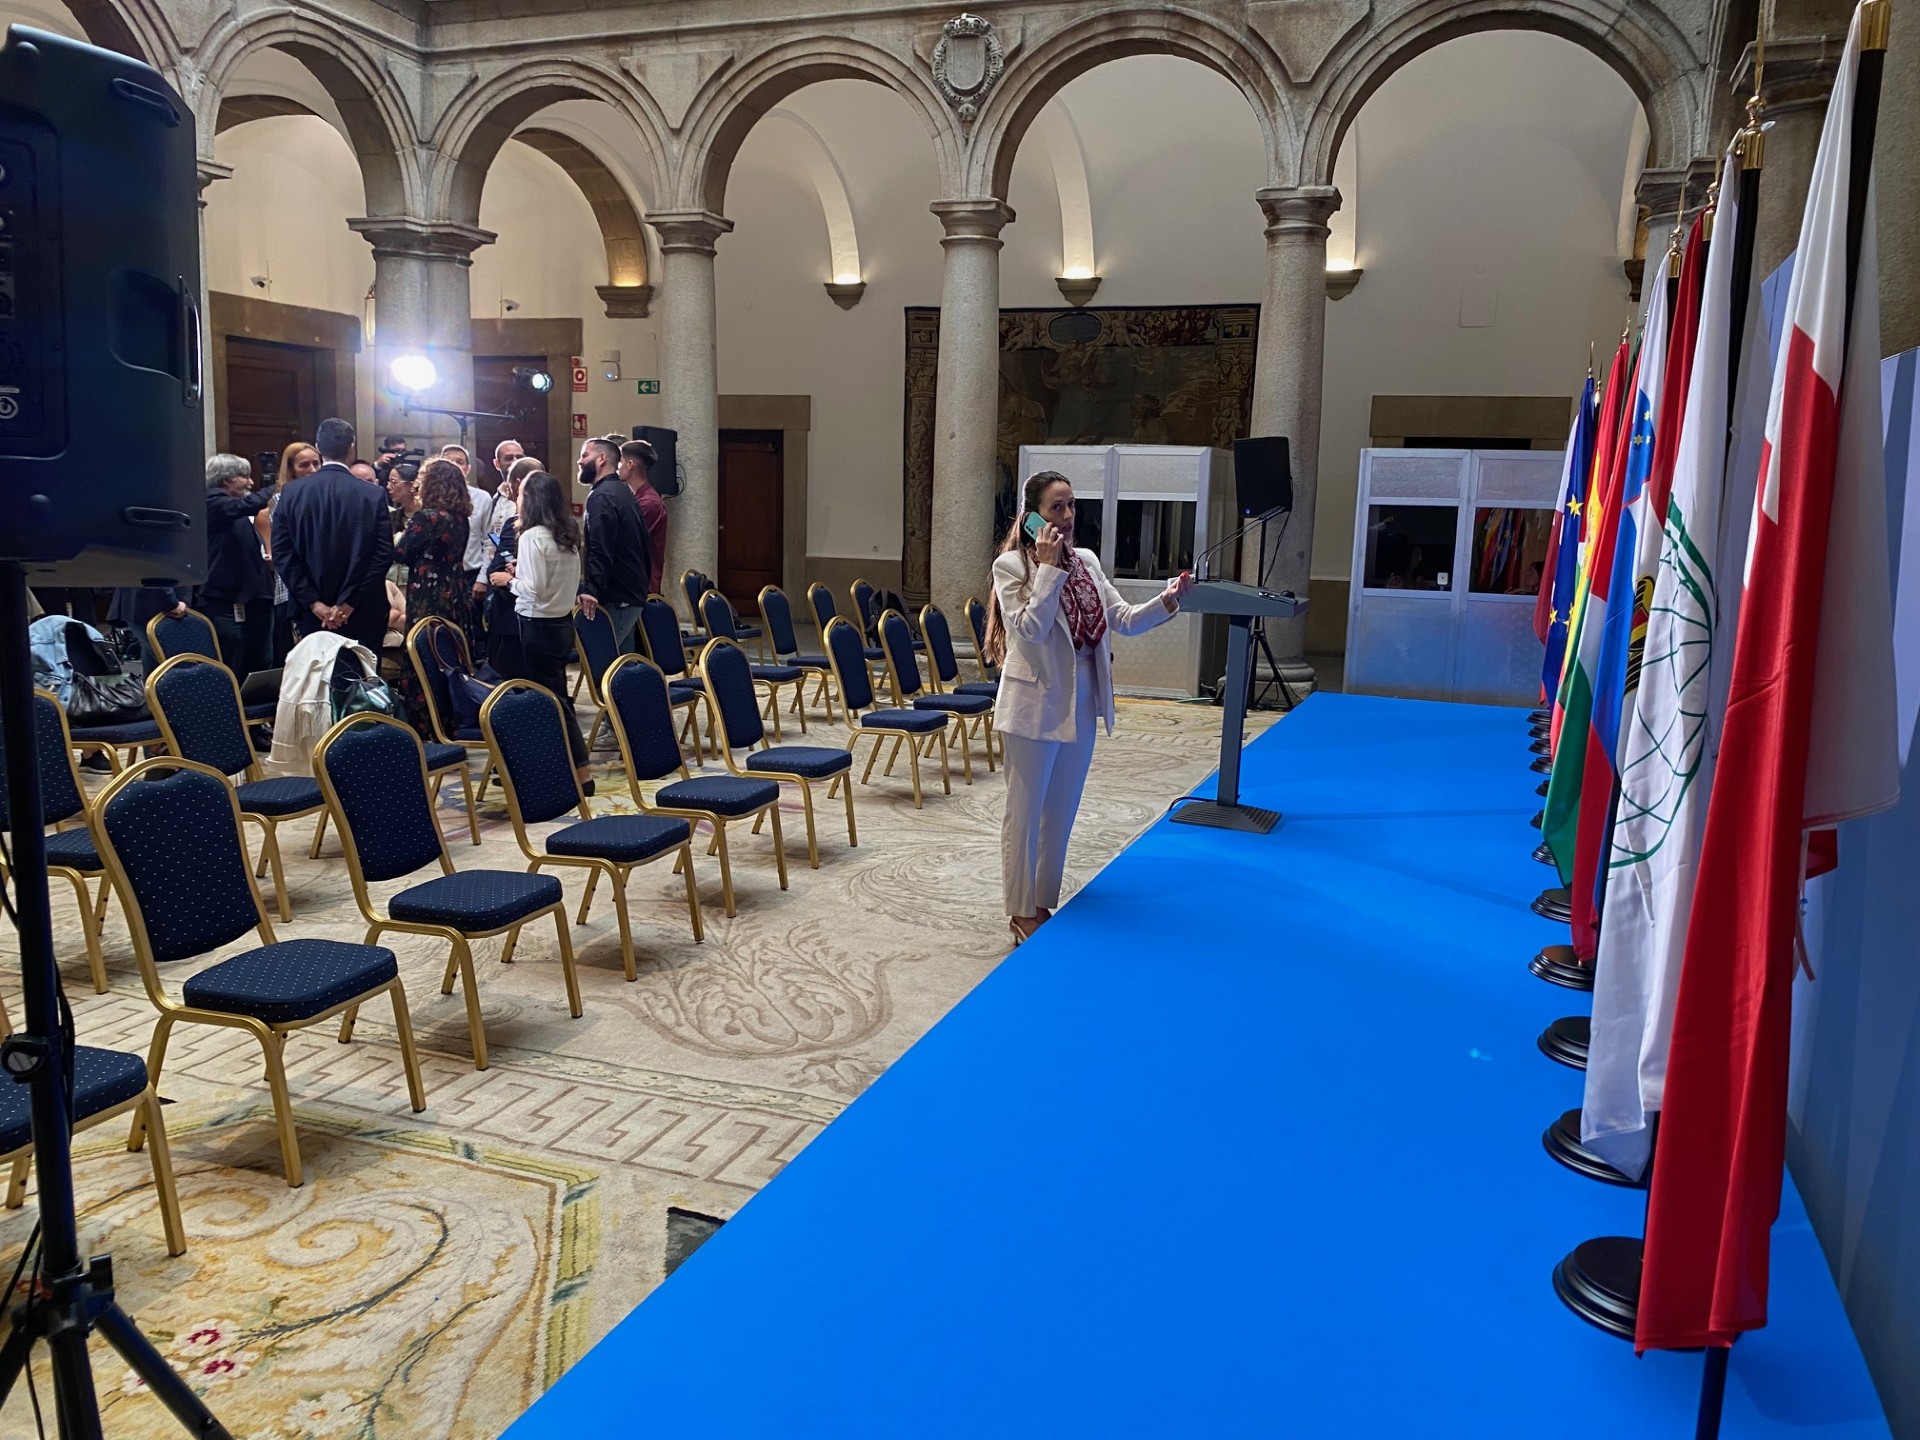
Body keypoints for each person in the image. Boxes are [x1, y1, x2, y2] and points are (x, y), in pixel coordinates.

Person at [986, 470, 1193, 945]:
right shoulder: (1013, 568)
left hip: (1080, 702)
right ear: (1033, 516)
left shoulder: (1087, 562)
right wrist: (1048, 569)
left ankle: (1041, 901)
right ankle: (1019, 911)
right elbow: (1032, 630)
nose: (1067, 516)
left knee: (1059, 811)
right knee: (1024, 812)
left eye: (1072, 505)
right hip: (1031, 705)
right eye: (1056, 507)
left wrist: (1168, 600)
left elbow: (1121, 619)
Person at [270, 417, 394, 654]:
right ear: (352, 446)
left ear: (318, 447)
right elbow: (382, 555)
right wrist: (348, 604)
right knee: (362, 683)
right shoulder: (372, 495)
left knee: (318, 683)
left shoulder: (291, 493)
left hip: (312, 613)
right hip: (363, 609)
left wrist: (315, 604)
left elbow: (282, 555)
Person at [505, 470, 592, 788]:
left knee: (550, 701)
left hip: (537, 626)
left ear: (532, 499)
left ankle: (579, 771)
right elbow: (559, 582)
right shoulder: (566, 533)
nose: (517, 498)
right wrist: (523, 571)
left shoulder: (531, 536)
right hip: (560, 623)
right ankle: (564, 767)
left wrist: (510, 580)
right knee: (556, 698)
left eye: (521, 493)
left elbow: (534, 590)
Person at [393, 458, 474, 734]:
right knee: (449, 656)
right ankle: (451, 720)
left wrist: (399, 536)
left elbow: (403, 552)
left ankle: (425, 724)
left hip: (429, 593)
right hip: (455, 591)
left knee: (423, 654)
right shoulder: (460, 518)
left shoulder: (427, 517)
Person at [198, 452, 276, 682]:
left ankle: (253, 713)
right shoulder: (211, 502)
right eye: (245, 476)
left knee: (260, 663)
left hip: (253, 598)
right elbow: (248, 504)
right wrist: (279, 484)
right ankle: (230, 713)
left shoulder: (230, 508)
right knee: (233, 662)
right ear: (226, 479)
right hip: (226, 599)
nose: (251, 482)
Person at [575, 435, 649, 650]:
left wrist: (592, 589)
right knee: (622, 665)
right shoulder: (622, 491)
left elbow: (601, 547)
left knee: (603, 662)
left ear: (601, 459)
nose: (579, 461)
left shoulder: (602, 496)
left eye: (584, 455)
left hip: (618, 597)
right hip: (630, 593)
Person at [260, 441, 323, 663]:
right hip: (289, 589)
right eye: (304, 465)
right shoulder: (282, 497)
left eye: (316, 463)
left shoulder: (323, 495)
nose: (312, 470)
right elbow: (285, 550)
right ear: (291, 468)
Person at [619, 438, 669, 598]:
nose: (616, 468)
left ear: (630, 464)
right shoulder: (636, 498)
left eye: (619, 462)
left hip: (642, 588)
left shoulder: (649, 503)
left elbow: (625, 540)